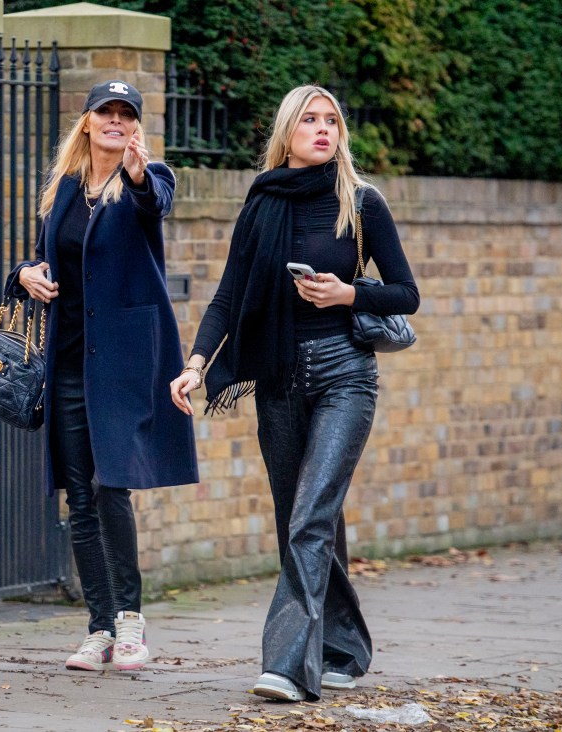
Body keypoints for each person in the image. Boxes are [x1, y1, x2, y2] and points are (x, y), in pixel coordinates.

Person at [170, 85, 419, 701]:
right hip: (279, 379)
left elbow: (407, 294)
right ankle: (346, 646)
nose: (323, 129)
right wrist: (197, 365)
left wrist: (348, 293)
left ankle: (285, 666)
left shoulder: (361, 203)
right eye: (309, 119)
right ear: (287, 132)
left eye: (332, 120)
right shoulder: (262, 204)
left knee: (310, 517)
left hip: (345, 376)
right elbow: (229, 295)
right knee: (301, 521)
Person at [7, 80, 199, 673]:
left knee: (112, 484)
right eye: (105, 112)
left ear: (135, 127)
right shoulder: (63, 189)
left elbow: (155, 204)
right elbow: (40, 256)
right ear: (87, 122)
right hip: (66, 362)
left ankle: (133, 623)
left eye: (126, 114)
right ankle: (99, 628)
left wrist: (139, 176)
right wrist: (23, 274)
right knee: (80, 497)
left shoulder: (148, 176)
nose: (115, 121)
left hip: (123, 363)